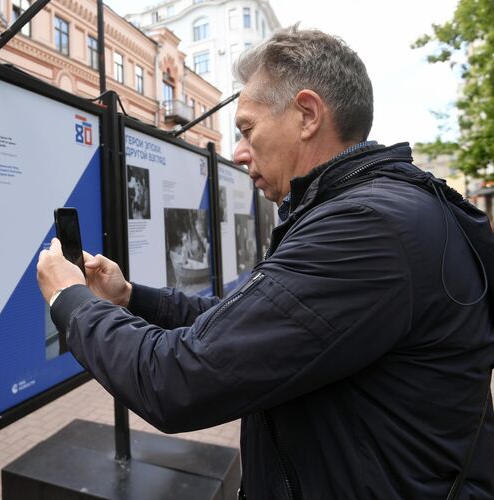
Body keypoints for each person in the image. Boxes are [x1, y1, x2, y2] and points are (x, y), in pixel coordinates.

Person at [37, 26, 494, 499]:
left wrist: (69, 300)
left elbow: (177, 381)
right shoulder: (370, 213)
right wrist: (128, 297)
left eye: (248, 129)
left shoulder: (365, 228)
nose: (237, 152)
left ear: (307, 114)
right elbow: (237, 326)